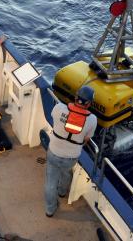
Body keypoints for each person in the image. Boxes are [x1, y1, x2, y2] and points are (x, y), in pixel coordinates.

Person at [45, 85, 98, 218]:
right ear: (89, 103)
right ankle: (62, 192)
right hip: (71, 156)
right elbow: (86, 139)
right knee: (66, 172)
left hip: (54, 151)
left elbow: (53, 119)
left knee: (51, 182)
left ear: (75, 98)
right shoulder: (92, 120)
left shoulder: (59, 108)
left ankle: (50, 210)